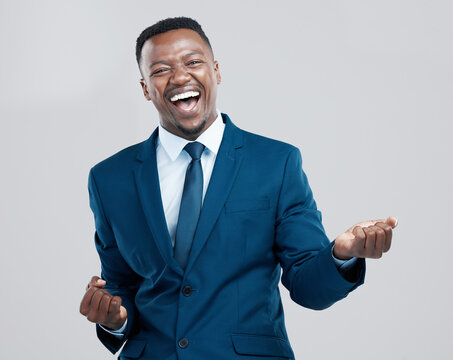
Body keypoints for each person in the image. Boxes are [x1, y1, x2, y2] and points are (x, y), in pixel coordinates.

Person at [79, 17, 397, 360]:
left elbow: (309, 288)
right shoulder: (109, 178)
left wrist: (341, 253)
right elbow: (120, 285)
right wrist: (114, 317)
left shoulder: (276, 163)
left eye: (193, 62)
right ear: (145, 89)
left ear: (216, 71)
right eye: (160, 69)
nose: (180, 77)